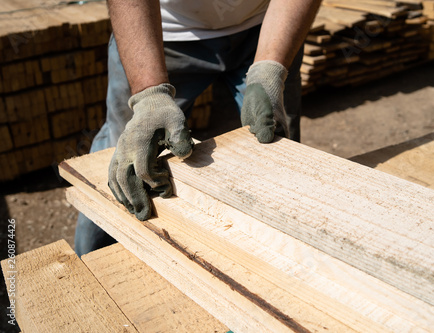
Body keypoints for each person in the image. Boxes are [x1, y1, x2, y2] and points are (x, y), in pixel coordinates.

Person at [74, 0, 322, 257]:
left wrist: (270, 69)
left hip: (269, 28)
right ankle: (88, 263)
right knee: (128, 162)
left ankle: (284, 261)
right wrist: (149, 95)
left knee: (279, 151)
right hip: (157, 35)